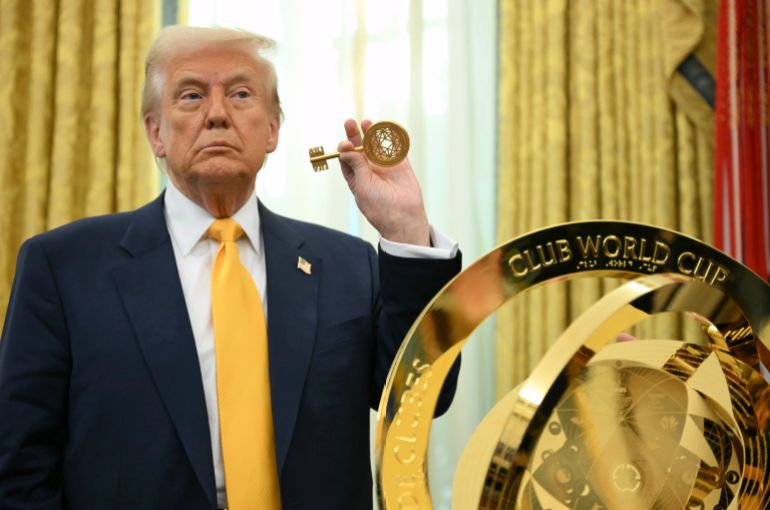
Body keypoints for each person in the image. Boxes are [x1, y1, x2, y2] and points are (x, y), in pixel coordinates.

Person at [0, 26, 460, 510]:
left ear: (273, 129)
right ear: (155, 132)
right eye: (192, 95)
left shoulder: (347, 265)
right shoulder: (63, 268)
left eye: (240, 94)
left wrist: (405, 226)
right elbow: (19, 464)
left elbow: (424, 398)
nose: (217, 114)